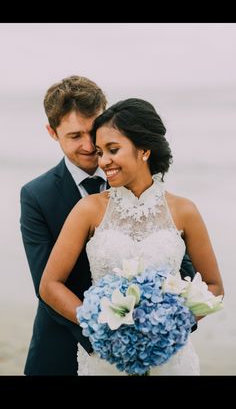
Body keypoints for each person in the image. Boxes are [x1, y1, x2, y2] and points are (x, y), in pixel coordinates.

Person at [39, 98, 224, 375]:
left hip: (170, 358)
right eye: (100, 152)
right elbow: (50, 285)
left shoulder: (184, 210)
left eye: (113, 150)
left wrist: (171, 324)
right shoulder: (88, 210)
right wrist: (98, 323)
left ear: (144, 150)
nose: (103, 161)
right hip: (106, 357)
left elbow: (214, 287)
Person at [20, 75, 108, 375]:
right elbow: (46, 288)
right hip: (59, 348)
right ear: (52, 132)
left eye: (93, 131)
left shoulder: (136, 180)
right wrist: (106, 339)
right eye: (74, 136)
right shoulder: (36, 195)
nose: (88, 145)